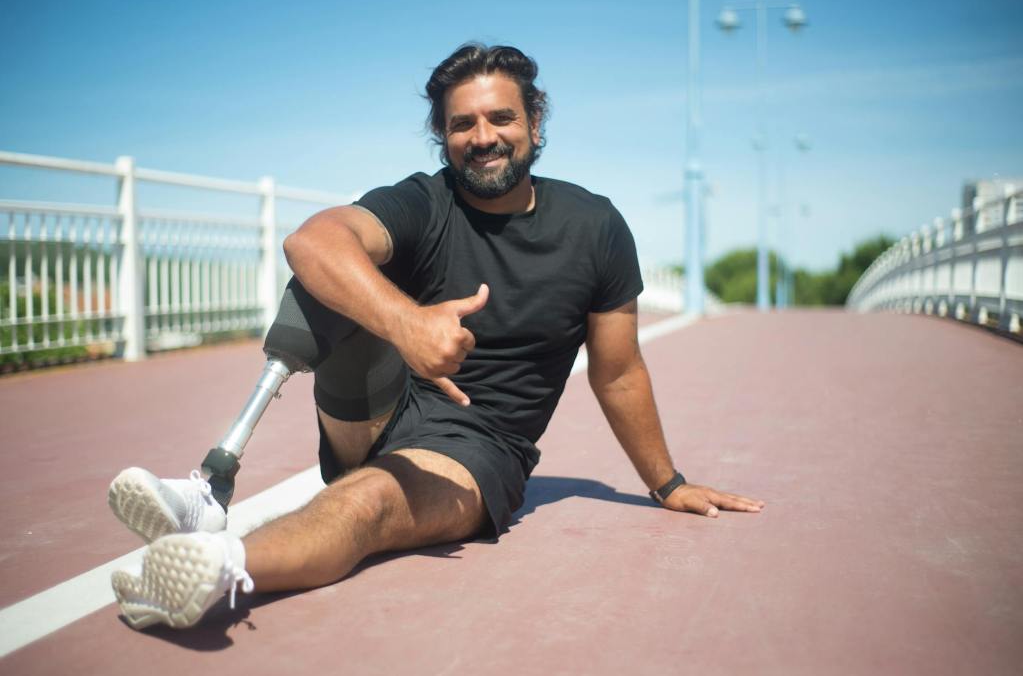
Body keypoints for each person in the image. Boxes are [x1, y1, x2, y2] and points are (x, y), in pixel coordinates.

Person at [108, 43, 765, 630]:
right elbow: (310, 241)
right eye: (462, 124)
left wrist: (667, 482)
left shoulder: (595, 228)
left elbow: (617, 371)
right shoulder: (425, 200)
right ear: (442, 136)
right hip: (379, 407)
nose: (483, 137)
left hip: (476, 446)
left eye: (501, 118)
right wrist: (408, 326)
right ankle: (211, 486)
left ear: (534, 124)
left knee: (366, 506)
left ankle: (214, 564)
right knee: (325, 275)